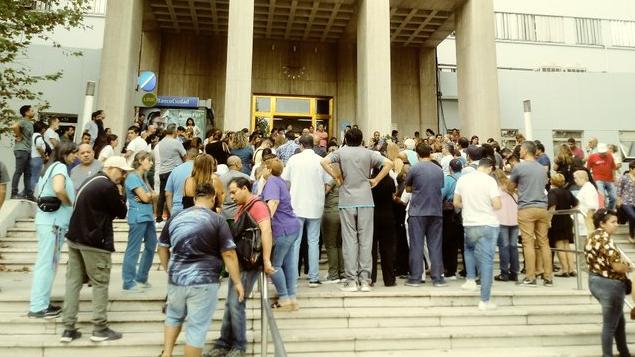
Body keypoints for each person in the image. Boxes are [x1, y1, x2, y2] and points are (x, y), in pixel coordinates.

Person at [158, 183, 244, 357]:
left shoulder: (176, 217)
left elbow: (162, 247)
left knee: (173, 316)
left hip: (177, 279)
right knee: (196, 328)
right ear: (212, 198)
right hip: (204, 281)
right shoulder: (217, 220)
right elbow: (228, 253)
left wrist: (170, 269)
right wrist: (237, 282)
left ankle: (167, 353)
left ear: (195, 198)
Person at [60, 156, 130, 343]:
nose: (123, 176)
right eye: (122, 172)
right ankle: (100, 328)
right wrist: (121, 193)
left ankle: (68, 328)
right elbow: (122, 212)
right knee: (100, 284)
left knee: (73, 283)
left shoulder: (91, 180)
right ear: (112, 168)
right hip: (94, 241)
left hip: (75, 237)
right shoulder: (107, 186)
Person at [320, 128, 393, 292]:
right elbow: (389, 163)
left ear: (346, 138)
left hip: (347, 200)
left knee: (349, 241)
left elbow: (323, 162)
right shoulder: (368, 153)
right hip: (366, 200)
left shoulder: (341, 152)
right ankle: (365, 281)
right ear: (361, 139)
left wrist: (336, 176)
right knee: (366, 241)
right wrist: (376, 179)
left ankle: (351, 280)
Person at [209, 177, 273, 357]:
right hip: (240, 262)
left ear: (245, 188)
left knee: (236, 303)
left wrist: (266, 260)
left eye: (234, 191)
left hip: (249, 263)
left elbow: (267, 232)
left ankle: (238, 345)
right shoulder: (242, 207)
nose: (231, 196)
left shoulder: (257, 206)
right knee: (232, 303)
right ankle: (224, 342)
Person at [28, 142, 77, 319]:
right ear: (65, 154)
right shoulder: (60, 168)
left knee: (47, 263)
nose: (75, 157)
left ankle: (41, 302)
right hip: (54, 224)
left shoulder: (48, 168)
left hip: (48, 222)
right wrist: (68, 202)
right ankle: (39, 306)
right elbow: (58, 189)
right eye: (73, 153)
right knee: (47, 264)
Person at [281, 135, 328, 287]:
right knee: (313, 242)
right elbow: (329, 181)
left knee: (295, 242)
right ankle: (313, 277)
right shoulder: (320, 160)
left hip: (297, 204)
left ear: (301, 145)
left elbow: (285, 180)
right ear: (313, 145)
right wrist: (321, 193)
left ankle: (293, 277)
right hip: (315, 204)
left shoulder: (294, 160)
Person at [454, 158, 501, 310]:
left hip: (469, 222)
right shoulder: (490, 181)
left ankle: (470, 280)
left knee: (468, 249)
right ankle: (484, 300)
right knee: (487, 261)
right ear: (489, 168)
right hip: (487, 222)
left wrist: (467, 205)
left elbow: (456, 203)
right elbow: (497, 204)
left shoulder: (463, 179)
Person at [585, 208, 632, 357]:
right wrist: (629, 268)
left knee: (619, 320)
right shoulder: (606, 240)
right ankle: (608, 354)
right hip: (610, 284)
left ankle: (623, 351)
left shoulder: (592, 236)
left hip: (594, 281)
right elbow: (617, 266)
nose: (617, 225)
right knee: (610, 325)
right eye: (613, 222)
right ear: (602, 224)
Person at [510, 141, 552, 287]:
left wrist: (517, 190)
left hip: (526, 207)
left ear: (526, 151)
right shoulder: (542, 168)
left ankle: (530, 276)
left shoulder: (519, 167)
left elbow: (510, 187)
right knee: (544, 242)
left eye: (521, 149)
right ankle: (548, 277)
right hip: (542, 207)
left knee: (528, 242)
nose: (519, 151)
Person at [261, 158, 302, 309]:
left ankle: (284, 297)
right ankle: (292, 297)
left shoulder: (271, 181)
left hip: (281, 228)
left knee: (275, 263)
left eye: (264, 167)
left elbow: (273, 202)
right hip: (292, 226)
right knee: (290, 263)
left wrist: (266, 222)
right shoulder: (281, 181)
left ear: (269, 169)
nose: (262, 170)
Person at [404, 143, 445, 287]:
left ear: (417, 154)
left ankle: (415, 278)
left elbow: (408, 188)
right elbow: (440, 187)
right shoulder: (439, 170)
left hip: (418, 211)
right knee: (435, 245)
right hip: (435, 210)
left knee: (417, 245)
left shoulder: (414, 168)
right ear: (430, 153)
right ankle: (438, 278)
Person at [122, 151, 158, 293]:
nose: (151, 163)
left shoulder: (143, 178)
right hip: (137, 216)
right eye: (149, 160)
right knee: (134, 249)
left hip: (147, 215)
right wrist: (149, 196)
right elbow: (145, 197)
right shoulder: (132, 177)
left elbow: (152, 196)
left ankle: (141, 277)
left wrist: (149, 196)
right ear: (141, 160)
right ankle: (128, 281)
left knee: (151, 245)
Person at [547, 173, 579, 278]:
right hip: (567, 220)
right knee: (567, 245)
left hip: (557, 221)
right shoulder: (567, 192)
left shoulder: (552, 192)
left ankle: (564, 269)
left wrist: (548, 220)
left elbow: (552, 207)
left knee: (559, 245)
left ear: (552, 181)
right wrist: (568, 212)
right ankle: (571, 268)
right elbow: (577, 204)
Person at [370, 166, 397, 287]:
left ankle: (371, 277)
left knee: (371, 249)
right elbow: (393, 194)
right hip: (388, 216)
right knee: (387, 249)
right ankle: (389, 279)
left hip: (373, 216)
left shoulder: (370, 181)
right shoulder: (390, 181)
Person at [493, 169, 520, 282]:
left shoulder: (496, 191)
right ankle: (514, 272)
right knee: (513, 246)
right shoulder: (512, 189)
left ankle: (504, 273)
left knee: (504, 247)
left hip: (502, 220)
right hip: (515, 220)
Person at [156, 124, 186, 223]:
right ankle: (170, 216)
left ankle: (159, 216)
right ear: (174, 131)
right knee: (171, 194)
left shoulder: (161, 142)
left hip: (163, 170)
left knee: (162, 194)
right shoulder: (176, 142)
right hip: (173, 170)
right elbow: (184, 155)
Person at [441, 158, 463, 280]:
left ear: (450, 168)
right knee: (459, 243)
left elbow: (441, 195)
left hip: (450, 213)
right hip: (464, 212)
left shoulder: (448, 179)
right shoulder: (465, 178)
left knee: (448, 243)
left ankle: (449, 270)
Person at [322, 164, 344, 283]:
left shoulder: (332, 180)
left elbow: (323, 193)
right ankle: (343, 272)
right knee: (340, 244)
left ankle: (333, 274)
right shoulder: (345, 180)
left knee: (331, 245)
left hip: (330, 213)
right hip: (343, 213)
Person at [165, 148, 198, 217]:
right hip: (194, 209)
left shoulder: (175, 170)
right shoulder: (199, 170)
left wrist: (171, 212)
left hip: (177, 209)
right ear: (197, 156)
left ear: (186, 156)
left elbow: (168, 194)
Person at [12, 104, 35, 199]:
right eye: (31, 110)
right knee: (18, 172)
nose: (33, 112)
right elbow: (14, 126)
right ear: (26, 112)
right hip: (21, 150)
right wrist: (18, 136)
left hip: (27, 150)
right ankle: (14, 193)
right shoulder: (23, 121)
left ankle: (29, 195)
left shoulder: (29, 123)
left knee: (28, 173)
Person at [219, 156, 251, 223]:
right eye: (241, 163)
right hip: (241, 214)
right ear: (237, 164)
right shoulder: (245, 177)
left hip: (224, 214)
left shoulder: (220, 179)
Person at [587, 143, 617, 209]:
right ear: (598, 151)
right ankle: (603, 212)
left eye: (604, 152)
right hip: (598, 179)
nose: (603, 154)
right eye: (601, 153)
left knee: (614, 197)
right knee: (602, 198)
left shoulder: (610, 156)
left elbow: (613, 168)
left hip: (609, 179)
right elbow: (588, 169)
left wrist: (615, 178)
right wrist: (589, 179)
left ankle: (610, 211)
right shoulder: (592, 157)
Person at [573, 169, 600, 238]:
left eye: (576, 178)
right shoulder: (585, 187)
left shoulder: (589, 188)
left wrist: (590, 228)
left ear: (582, 178)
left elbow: (591, 208)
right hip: (581, 222)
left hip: (585, 223)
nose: (574, 180)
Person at [617, 161, 635, 243]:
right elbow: (619, 190)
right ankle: (631, 235)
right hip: (626, 201)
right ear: (631, 169)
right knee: (632, 216)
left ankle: (632, 235)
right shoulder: (624, 177)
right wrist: (618, 200)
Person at [30, 120, 48, 192]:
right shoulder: (39, 136)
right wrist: (44, 156)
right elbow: (38, 147)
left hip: (32, 158)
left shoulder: (32, 136)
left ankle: (28, 192)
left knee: (32, 176)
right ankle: (30, 193)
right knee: (35, 177)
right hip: (37, 158)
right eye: (44, 128)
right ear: (42, 129)